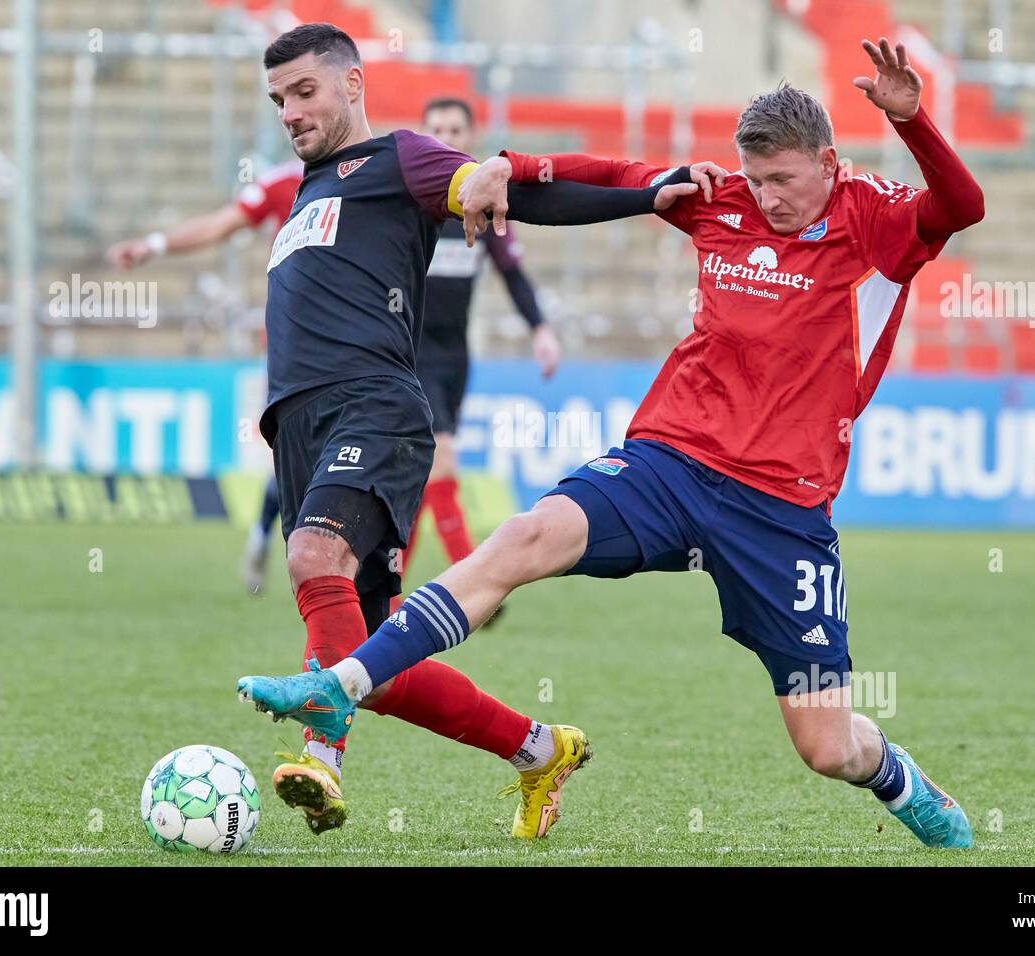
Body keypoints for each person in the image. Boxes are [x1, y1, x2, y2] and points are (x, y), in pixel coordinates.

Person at [238, 38, 985, 849]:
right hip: (668, 461)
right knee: (524, 537)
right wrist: (506, 167)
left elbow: (962, 206)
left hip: (783, 506)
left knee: (828, 747)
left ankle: (902, 780)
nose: (765, 197)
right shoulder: (720, 197)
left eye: (783, 180)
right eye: (756, 178)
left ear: (829, 164)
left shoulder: (876, 220)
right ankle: (339, 688)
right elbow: (610, 174)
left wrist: (914, 125)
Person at [236, 22, 701, 838]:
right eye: (279, 99)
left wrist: (644, 190)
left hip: (374, 407)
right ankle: (536, 748)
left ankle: (322, 760)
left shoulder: (398, 160)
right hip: (304, 429)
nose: (291, 111)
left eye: (305, 91)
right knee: (370, 662)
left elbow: (511, 185)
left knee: (314, 558)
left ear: (351, 84)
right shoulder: (308, 193)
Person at [106, 162, 303, 596]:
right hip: (295, 345)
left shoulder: (371, 166)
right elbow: (221, 224)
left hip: (362, 346)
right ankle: (267, 535)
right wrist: (154, 244)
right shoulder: (282, 182)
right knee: (295, 456)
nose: (297, 116)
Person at [393, 97, 560, 611]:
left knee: (426, 476)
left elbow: (512, 272)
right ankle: (475, 584)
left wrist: (540, 328)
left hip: (454, 358)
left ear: (472, 137)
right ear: (423, 133)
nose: (446, 137)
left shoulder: (485, 205)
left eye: (455, 129)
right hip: (407, 354)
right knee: (442, 462)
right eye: (436, 128)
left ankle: (390, 596)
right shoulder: (407, 202)